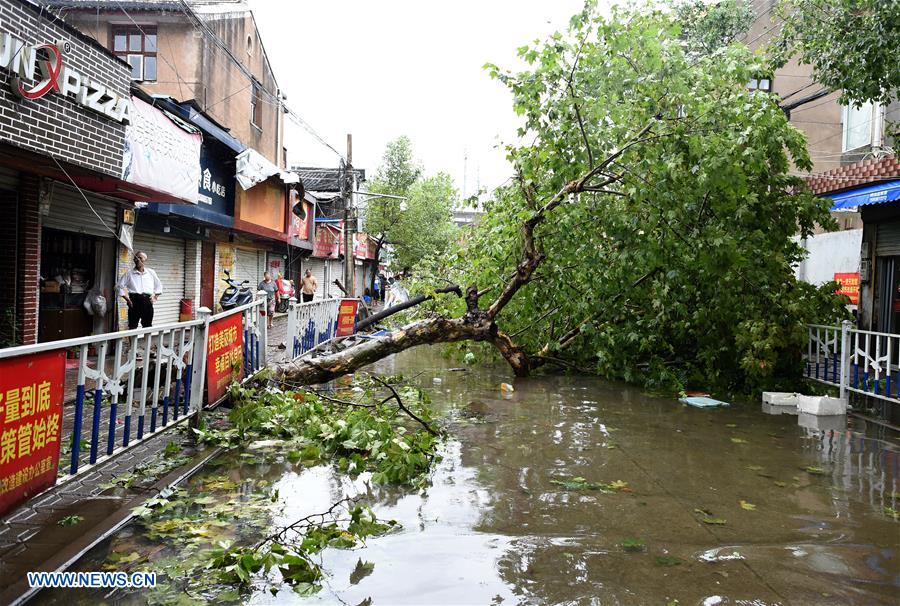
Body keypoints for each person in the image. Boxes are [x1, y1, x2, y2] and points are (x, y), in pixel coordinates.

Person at [116, 250, 163, 329]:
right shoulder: (129, 273)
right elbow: (117, 287)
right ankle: (133, 342)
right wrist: (127, 299)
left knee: (147, 326)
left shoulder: (151, 272)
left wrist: (155, 297)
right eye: (136, 258)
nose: (138, 260)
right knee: (132, 326)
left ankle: (146, 341)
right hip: (134, 302)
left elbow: (159, 286)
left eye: (140, 258)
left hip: (147, 302)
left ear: (145, 260)